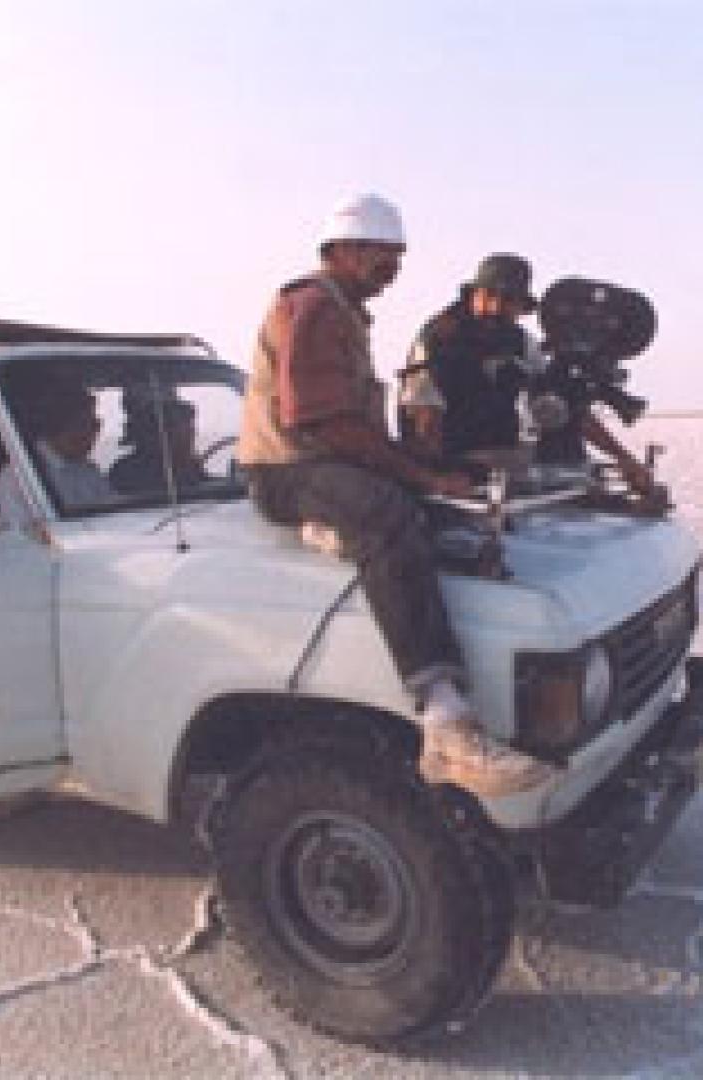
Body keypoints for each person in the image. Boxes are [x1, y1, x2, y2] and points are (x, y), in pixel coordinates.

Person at [237, 194, 554, 796]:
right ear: (351, 250)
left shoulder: (344, 312)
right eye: (388, 256)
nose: (396, 270)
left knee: (438, 512)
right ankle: (444, 719)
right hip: (288, 470)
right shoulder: (314, 308)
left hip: (325, 460)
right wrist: (420, 475)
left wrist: (425, 476)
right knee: (385, 512)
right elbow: (320, 421)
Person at [400, 253, 656, 495]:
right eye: (488, 296)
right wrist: (435, 479)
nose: (496, 307)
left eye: (509, 300)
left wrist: (623, 458)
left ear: (521, 307)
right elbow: (424, 421)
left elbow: (565, 405)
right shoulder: (439, 340)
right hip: (451, 467)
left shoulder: (521, 344)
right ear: (473, 295)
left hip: (501, 464)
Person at [0, 377, 115, 525]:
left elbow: (116, 517)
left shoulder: (88, 472)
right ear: (62, 426)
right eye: (88, 426)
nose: (95, 434)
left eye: (97, 425)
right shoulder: (15, 481)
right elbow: (25, 540)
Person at [109, 394, 207, 495]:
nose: (192, 435)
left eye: (191, 429)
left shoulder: (188, 468)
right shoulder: (128, 472)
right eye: (185, 430)